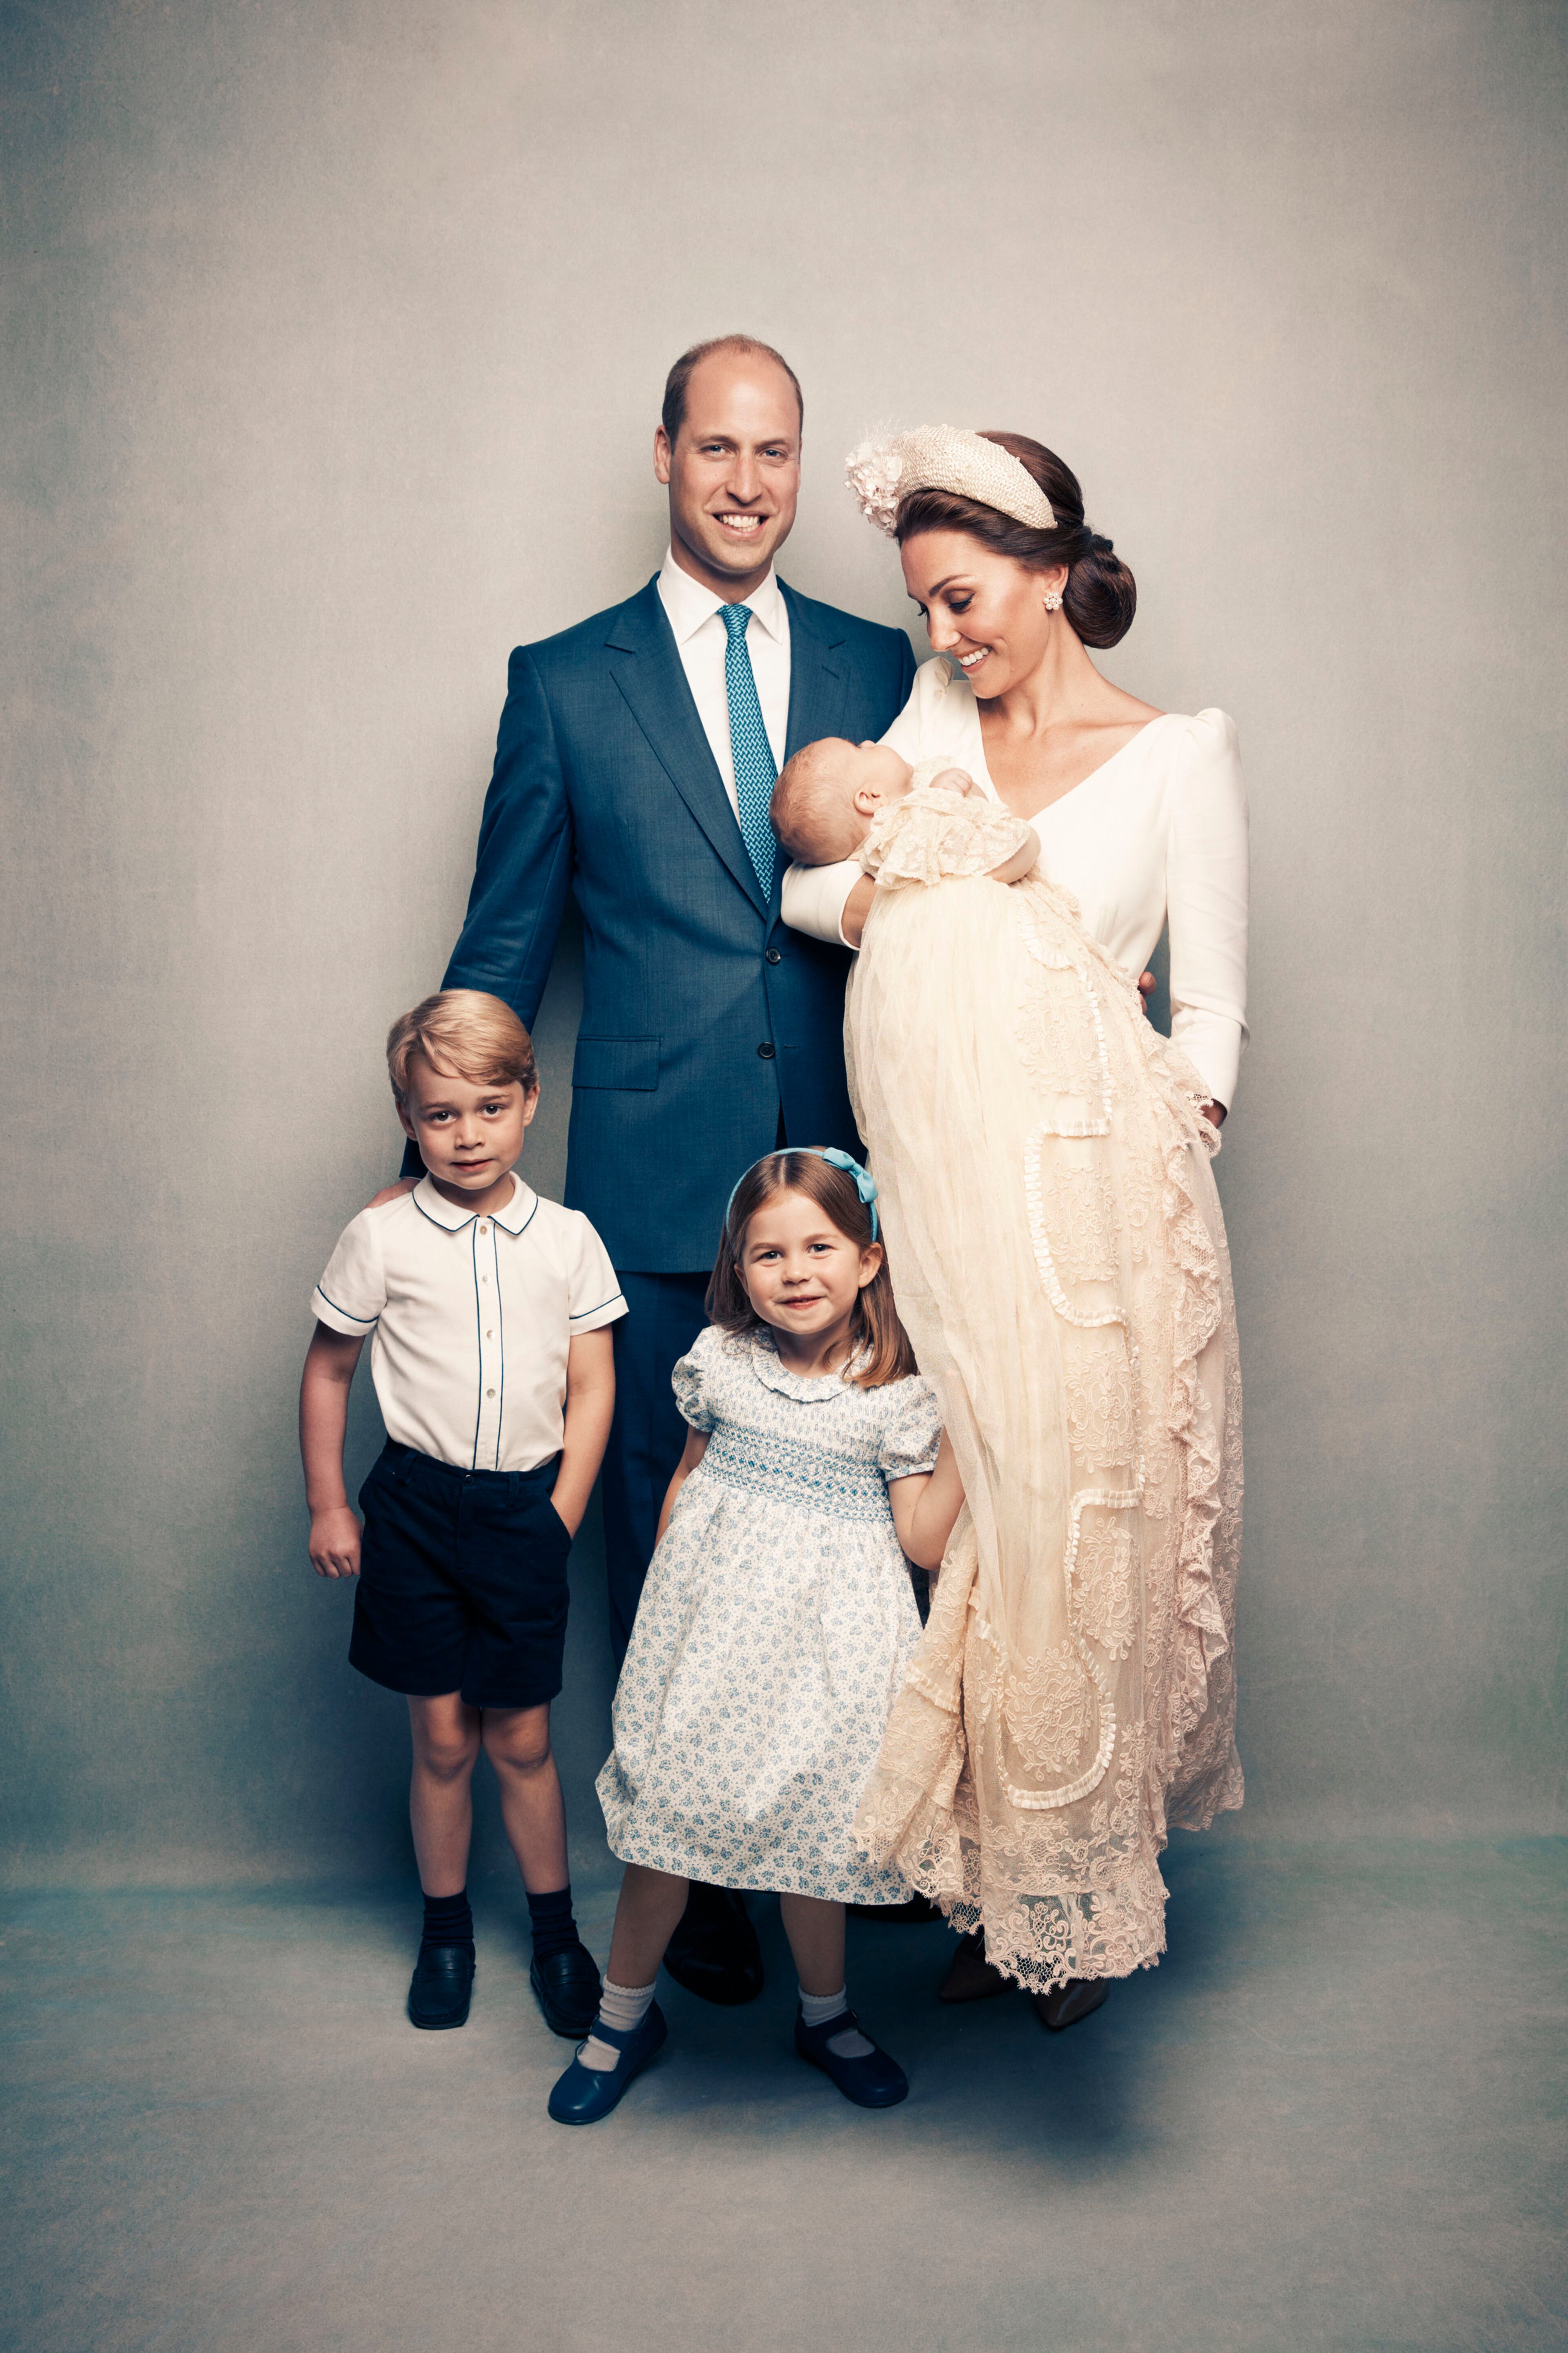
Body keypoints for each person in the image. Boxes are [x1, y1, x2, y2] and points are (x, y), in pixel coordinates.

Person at [383, 336, 916, 2006]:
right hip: (648, 1188)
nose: (749, 483)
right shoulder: (564, 681)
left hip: (853, 1184)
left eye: (778, 453)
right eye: (718, 449)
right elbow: (504, 941)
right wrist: (437, 1191)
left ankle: (861, 1841)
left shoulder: (882, 658)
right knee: (669, 1540)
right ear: (665, 455)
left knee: (858, 1533)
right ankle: (700, 1889)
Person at [781, 426, 1247, 2029]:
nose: (942, 635)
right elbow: (809, 883)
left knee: (1075, 1529)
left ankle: (1066, 1891)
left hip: (1092, 1209)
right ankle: (992, 1870)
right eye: (923, 608)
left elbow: (1217, 1019)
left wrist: (1128, 1084)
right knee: (970, 1512)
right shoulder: (935, 727)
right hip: (935, 1197)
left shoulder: (1180, 755)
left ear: (1050, 576)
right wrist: (977, 908)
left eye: (965, 598)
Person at [546, 1150, 966, 2125]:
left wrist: (977, 1442)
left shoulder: (895, 1393)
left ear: (868, 1260)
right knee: (670, 1839)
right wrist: (663, 1616)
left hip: (829, 1662)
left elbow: (922, 1539)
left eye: (819, 1246)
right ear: (740, 1271)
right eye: (767, 1253)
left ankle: (826, 2016)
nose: (794, 1271)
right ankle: (619, 2020)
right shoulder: (721, 1363)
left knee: (812, 1846)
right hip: (709, 1651)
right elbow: (686, 1481)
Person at [300, 990, 624, 2039]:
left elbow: (595, 1387)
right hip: (412, 1510)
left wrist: (559, 1518)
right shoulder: (381, 1236)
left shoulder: (570, 1239)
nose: (468, 1133)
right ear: (408, 1117)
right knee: (441, 1738)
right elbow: (329, 1369)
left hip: (524, 1511)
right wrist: (330, 1503)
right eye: (441, 1114)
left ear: (530, 1100)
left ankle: (557, 1937)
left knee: (520, 1738)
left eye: (490, 1107)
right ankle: (445, 1932)